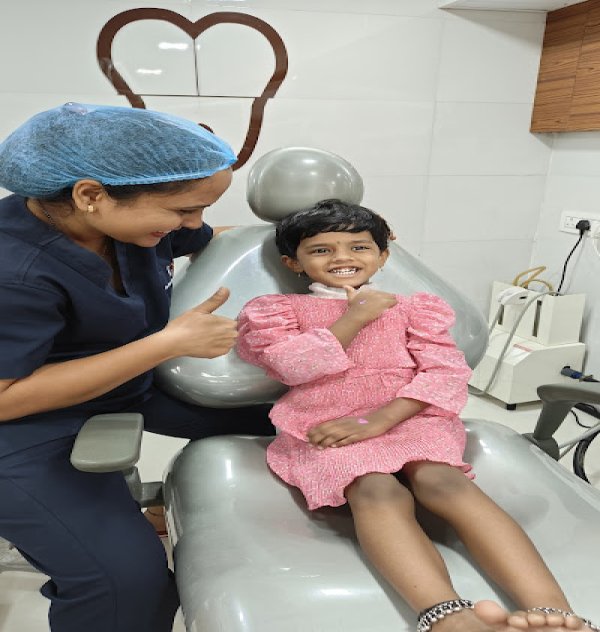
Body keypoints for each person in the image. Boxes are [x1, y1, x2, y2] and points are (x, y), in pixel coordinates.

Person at [236, 199, 598, 632]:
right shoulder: (277, 311)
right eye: (321, 250)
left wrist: (380, 420)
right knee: (375, 490)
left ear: (383, 255)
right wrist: (356, 317)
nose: (342, 258)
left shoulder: (414, 309)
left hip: (411, 417)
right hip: (325, 423)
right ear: (293, 262)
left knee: (443, 482)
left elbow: (445, 373)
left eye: (358, 246)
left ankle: (555, 614)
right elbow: (292, 367)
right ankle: (450, 618)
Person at [0, 102, 273, 632]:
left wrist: (336, 237)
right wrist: (167, 344)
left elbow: (217, 237)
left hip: (122, 384)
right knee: (123, 584)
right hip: (23, 426)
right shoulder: (15, 271)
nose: (193, 224)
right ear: (90, 195)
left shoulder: (128, 223)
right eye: (184, 211)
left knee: (301, 419)